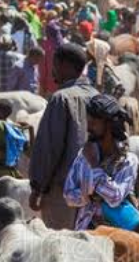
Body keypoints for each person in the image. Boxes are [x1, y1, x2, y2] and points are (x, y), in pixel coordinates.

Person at [28, 43, 99, 230]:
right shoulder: (98, 96)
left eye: (55, 64)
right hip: (96, 193)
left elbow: (49, 149)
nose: (52, 71)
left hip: (64, 193)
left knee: (60, 247)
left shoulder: (61, 99)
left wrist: (37, 187)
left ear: (65, 66)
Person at [63, 93, 139, 233]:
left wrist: (94, 166)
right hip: (85, 230)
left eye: (93, 123)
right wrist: (88, 197)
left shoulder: (128, 161)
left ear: (109, 125)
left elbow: (115, 197)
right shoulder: (83, 155)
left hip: (119, 235)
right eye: (88, 122)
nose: (88, 128)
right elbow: (68, 194)